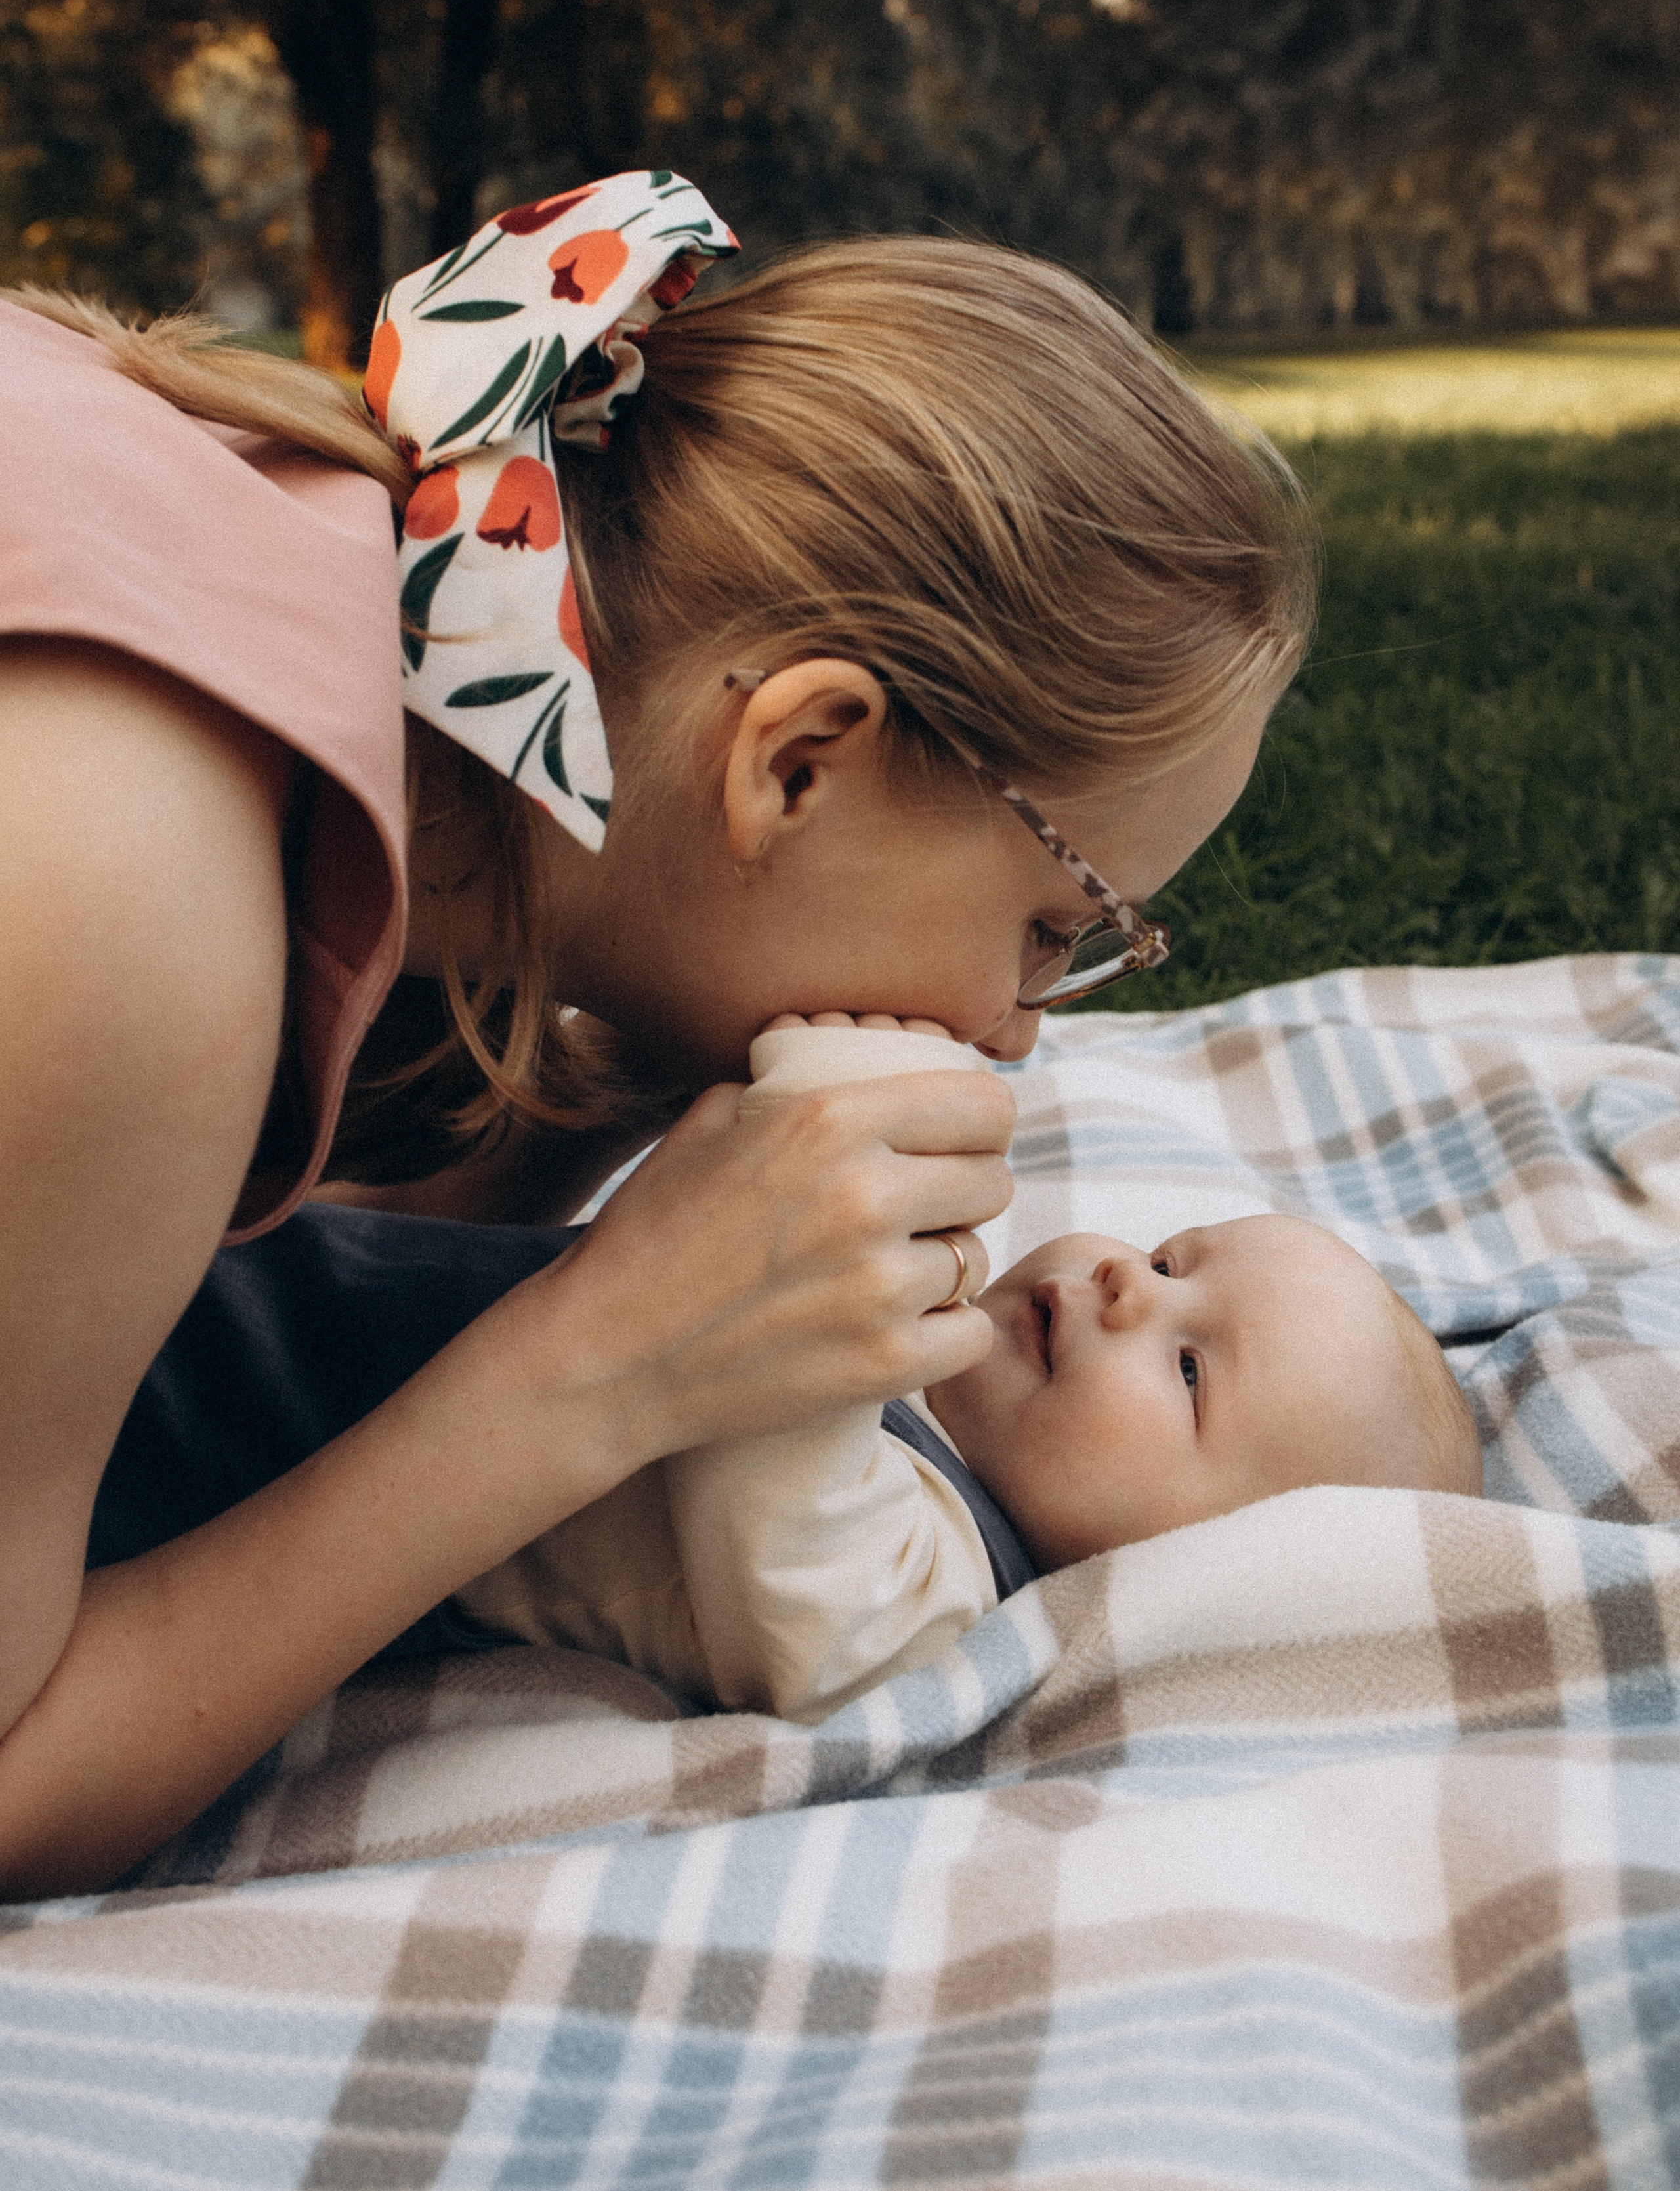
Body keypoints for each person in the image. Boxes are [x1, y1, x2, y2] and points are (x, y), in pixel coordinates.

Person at [0, 169, 1316, 1896]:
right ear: (799, 758)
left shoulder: (287, 588)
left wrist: (617, 1095)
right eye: (1057, 928)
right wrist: (589, 1369)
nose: (1010, 1036)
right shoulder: (128, 880)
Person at [458, 1015, 1482, 1722]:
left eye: (1187, 1372)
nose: (1128, 1278)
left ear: (1190, 1570)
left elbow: (767, 1423)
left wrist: (839, 1091)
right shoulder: (936, 1360)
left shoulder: (926, 1609)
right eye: (1171, 1258)